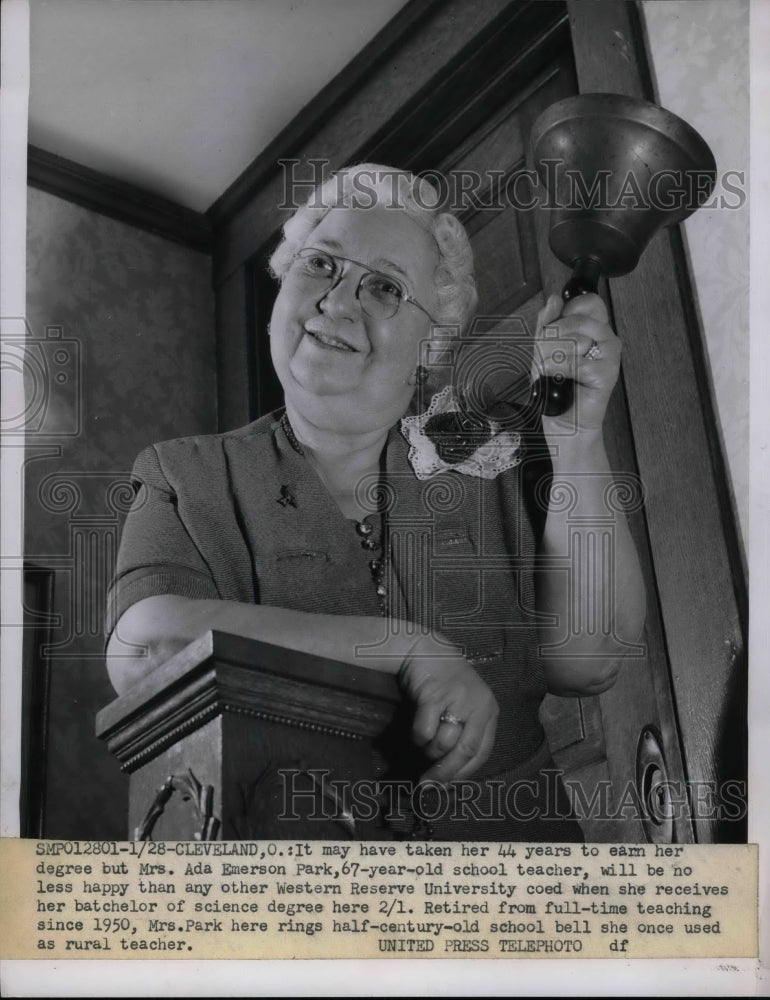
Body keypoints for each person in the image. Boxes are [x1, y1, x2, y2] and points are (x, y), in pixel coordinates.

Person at [105, 163, 646, 840]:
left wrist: (576, 438)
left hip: (520, 904)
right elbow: (145, 645)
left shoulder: (495, 465)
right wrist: (403, 647)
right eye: (322, 265)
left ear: (432, 345)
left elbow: (591, 661)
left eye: (385, 287)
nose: (337, 300)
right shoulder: (186, 476)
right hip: (301, 907)